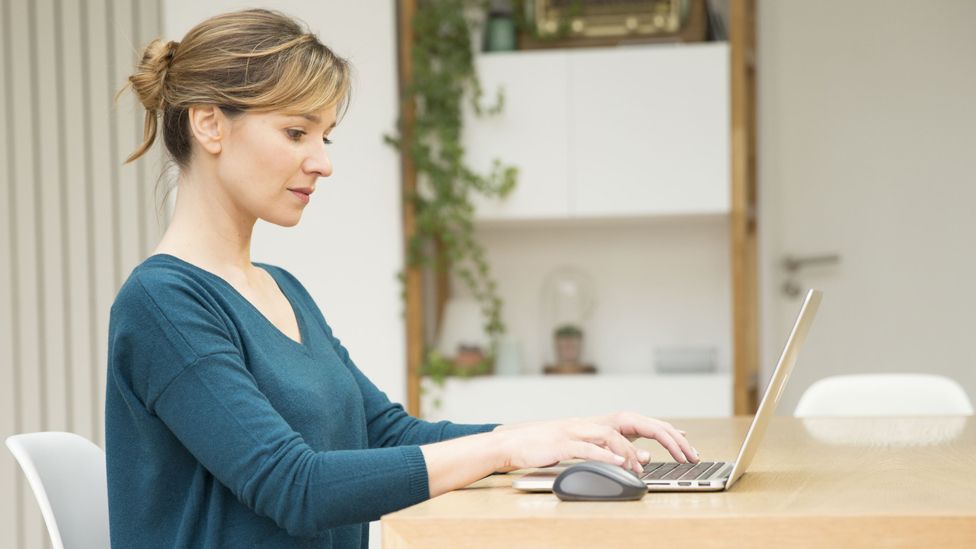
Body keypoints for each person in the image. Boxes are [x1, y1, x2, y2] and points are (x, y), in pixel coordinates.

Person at [106, 8, 700, 549]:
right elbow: (294, 486)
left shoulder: (282, 288)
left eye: (325, 136)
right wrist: (502, 449)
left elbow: (388, 432)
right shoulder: (162, 304)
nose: (323, 161)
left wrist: (566, 433)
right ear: (209, 125)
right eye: (296, 132)